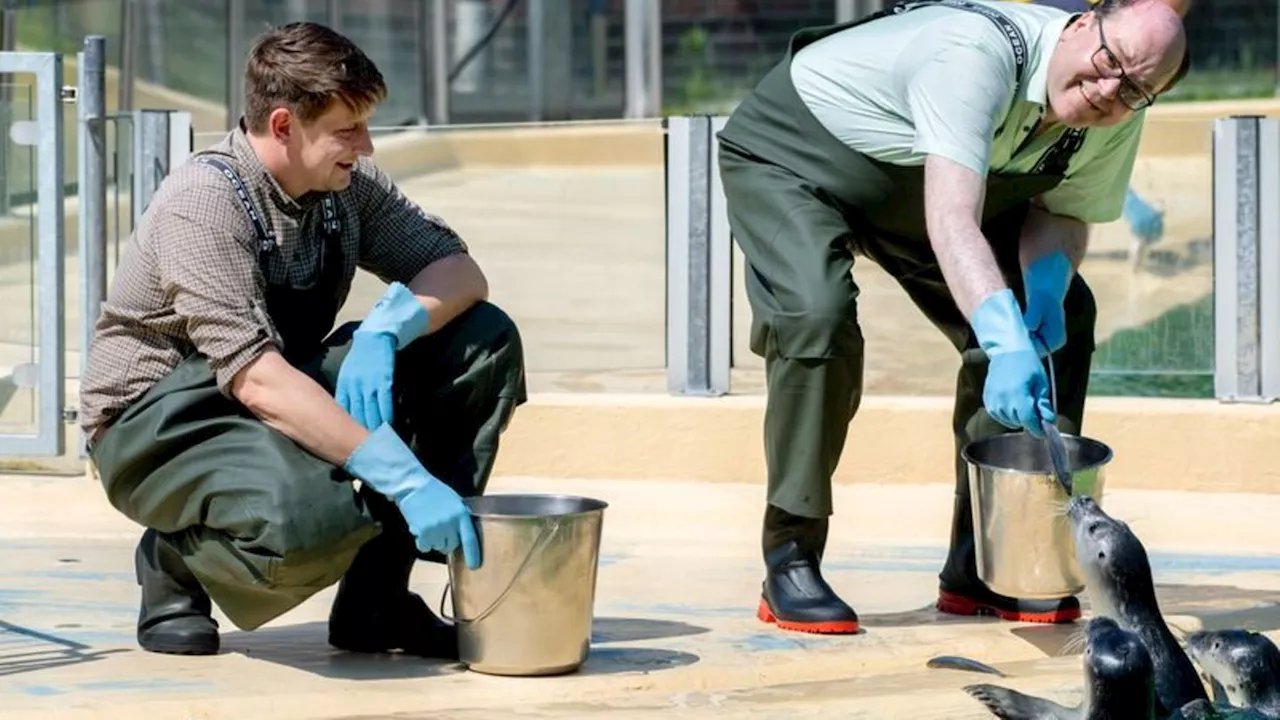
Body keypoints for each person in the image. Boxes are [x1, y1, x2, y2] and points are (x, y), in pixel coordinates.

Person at [716, 0, 1188, 634]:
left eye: (1135, 87)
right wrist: (1005, 340)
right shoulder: (976, 55)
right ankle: (790, 556)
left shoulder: (1115, 115)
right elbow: (951, 218)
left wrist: (1043, 295)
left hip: (917, 189)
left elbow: (1063, 212)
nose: (1110, 89)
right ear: (1082, 23)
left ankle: (987, 564)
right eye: (1110, 61)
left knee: (1065, 314)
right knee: (818, 319)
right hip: (799, 159)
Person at [78, 22, 527, 657]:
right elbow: (254, 377)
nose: (365, 147)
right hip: (157, 424)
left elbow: (458, 272)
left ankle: (375, 604)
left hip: (266, 387)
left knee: (480, 341)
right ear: (285, 125)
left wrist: (388, 328)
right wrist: (403, 477)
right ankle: (176, 560)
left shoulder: (345, 188)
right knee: (308, 529)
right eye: (349, 131)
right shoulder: (203, 204)